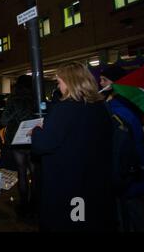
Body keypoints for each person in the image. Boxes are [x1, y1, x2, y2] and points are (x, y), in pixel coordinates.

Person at [30, 62, 116, 231]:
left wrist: (36, 132)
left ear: (70, 83)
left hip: (68, 183)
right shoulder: (101, 108)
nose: (58, 86)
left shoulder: (65, 109)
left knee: (71, 222)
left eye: (59, 82)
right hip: (95, 181)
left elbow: (43, 145)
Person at [100, 65, 144, 231]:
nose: (100, 83)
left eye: (104, 80)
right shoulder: (121, 105)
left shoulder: (118, 109)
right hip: (131, 172)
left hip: (128, 174)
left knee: (134, 216)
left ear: (116, 83)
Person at [0, 75, 37, 218]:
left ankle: (23, 205)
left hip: (18, 140)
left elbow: (4, 120)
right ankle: (34, 204)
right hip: (34, 139)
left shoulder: (13, 100)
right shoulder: (36, 97)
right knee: (34, 173)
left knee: (21, 171)